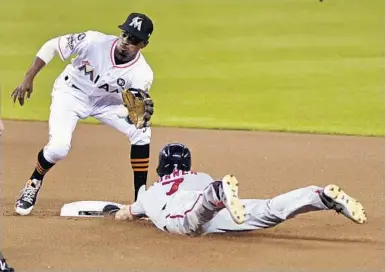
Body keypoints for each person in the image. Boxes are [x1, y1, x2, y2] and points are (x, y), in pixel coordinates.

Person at [11, 12, 156, 216]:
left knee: (142, 131)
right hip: (71, 93)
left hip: (107, 104)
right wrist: (29, 77)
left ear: (143, 45)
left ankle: (140, 199)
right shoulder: (93, 41)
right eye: (125, 34)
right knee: (59, 149)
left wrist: (135, 113)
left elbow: (133, 104)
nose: (126, 42)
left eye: (133, 40)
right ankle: (34, 181)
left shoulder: (143, 73)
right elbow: (53, 45)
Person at [102, 143, 367, 236]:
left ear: (161, 168)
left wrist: (117, 212)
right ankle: (319, 196)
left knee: (189, 225)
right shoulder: (200, 175)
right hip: (219, 209)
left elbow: (128, 214)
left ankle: (217, 194)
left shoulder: (151, 192)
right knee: (267, 211)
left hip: (191, 209)